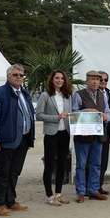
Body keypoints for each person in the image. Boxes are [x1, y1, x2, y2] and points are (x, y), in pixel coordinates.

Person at [0, 64, 35, 216]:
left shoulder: (25, 93)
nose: (19, 77)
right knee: (2, 173)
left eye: (21, 75)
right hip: (6, 140)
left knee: (14, 172)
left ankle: (10, 200)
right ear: (8, 76)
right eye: (15, 75)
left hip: (23, 140)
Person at [72, 70, 110, 203]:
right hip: (83, 135)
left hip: (98, 135)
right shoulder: (78, 95)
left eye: (97, 79)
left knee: (96, 164)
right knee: (81, 165)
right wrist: (85, 111)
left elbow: (108, 112)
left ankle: (93, 190)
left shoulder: (102, 95)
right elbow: (73, 113)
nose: (95, 82)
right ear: (87, 81)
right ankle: (81, 192)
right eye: (92, 79)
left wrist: (106, 116)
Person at [36, 70, 72, 206]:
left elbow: (71, 113)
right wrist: (56, 117)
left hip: (65, 133)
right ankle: (49, 195)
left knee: (62, 164)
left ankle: (58, 193)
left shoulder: (68, 96)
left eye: (62, 78)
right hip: (51, 134)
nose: (59, 80)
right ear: (52, 80)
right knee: (50, 164)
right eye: (57, 78)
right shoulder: (45, 95)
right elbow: (38, 115)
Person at [98, 70, 110, 195]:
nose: (103, 81)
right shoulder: (90, 94)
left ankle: (99, 186)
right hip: (94, 133)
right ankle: (90, 187)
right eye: (101, 79)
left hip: (107, 133)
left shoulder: (109, 94)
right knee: (92, 162)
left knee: (103, 161)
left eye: (105, 80)